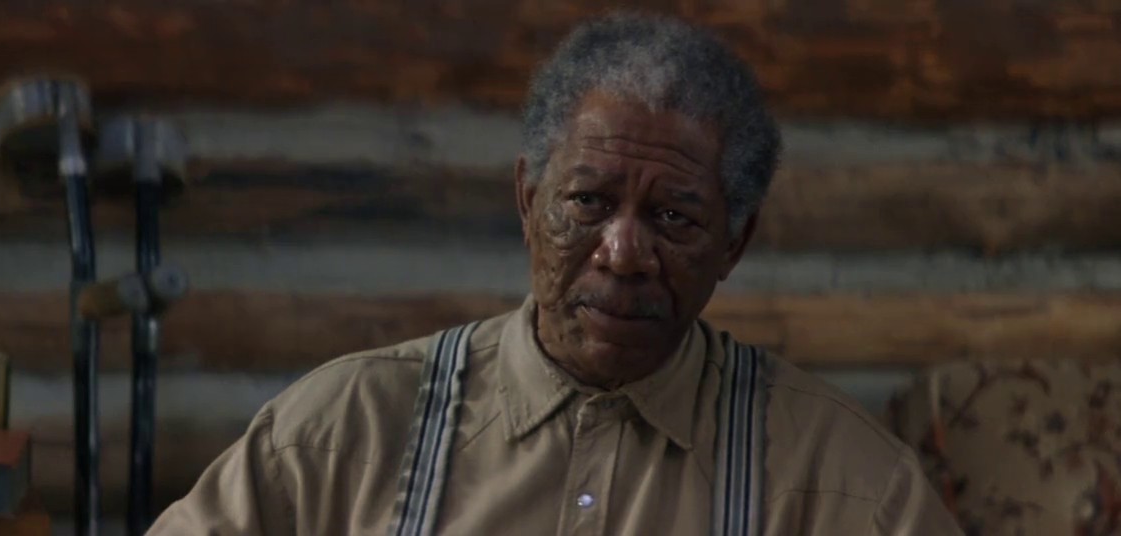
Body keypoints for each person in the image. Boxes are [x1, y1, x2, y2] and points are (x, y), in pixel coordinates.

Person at [149, 12, 963, 536]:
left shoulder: (848, 490)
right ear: (528, 199)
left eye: (673, 217)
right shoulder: (341, 435)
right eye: (588, 202)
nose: (622, 252)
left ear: (734, 244)